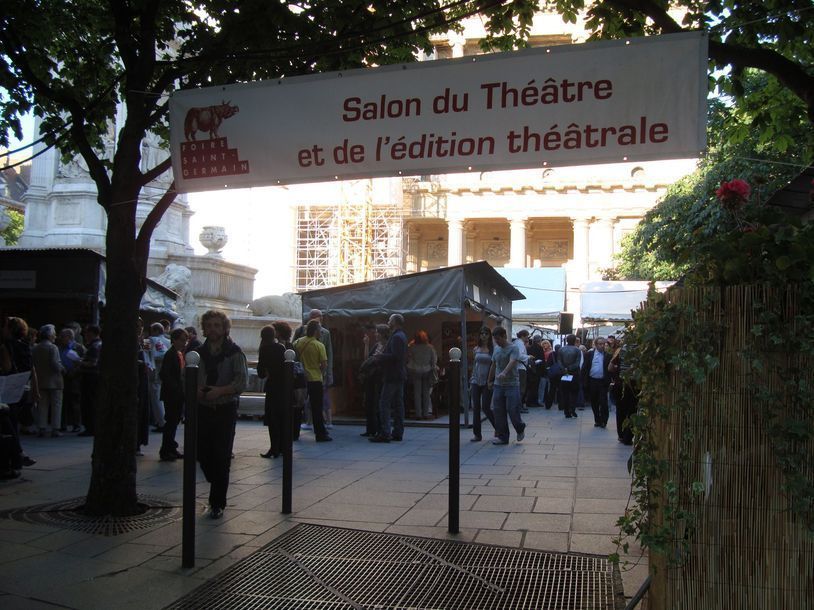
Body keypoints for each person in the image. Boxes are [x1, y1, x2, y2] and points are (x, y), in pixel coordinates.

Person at [195, 310, 248, 519]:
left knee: (222, 455)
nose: (213, 329)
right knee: (202, 453)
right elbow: (188, 377)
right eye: (209, 325)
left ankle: (217, 502)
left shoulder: (235, 352)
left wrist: (220, 391)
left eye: (217, 325)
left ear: (225, 328)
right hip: (203, 408)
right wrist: (196, 390)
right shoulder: (198, 353)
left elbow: (241, 382)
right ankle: (215, 479)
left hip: (225, 408)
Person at [370, 313, 407, 443]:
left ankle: (385, 433)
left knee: (384, 403)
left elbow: (396, 356)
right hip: (398, 375)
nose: (388, 321)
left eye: (390, 320)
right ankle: (397, 432)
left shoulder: (396, 337)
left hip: (392, 375)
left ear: (395, 322)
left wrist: (380, 356)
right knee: (398, 405)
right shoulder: (400, 335)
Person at [294, 319, 332, 442]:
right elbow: (324, 364)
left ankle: (294, 433)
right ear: (315, 331)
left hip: (300, 379)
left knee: (298, 406)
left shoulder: (298, 342)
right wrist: (319, 373)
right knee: (317, 407)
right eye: (320, 330)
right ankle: (320, 434)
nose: (321, 332)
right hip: (315, 379)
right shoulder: (319, 345)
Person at [487, 326, 526, 445]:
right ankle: (503, 437)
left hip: (512, 384)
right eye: (495, 340)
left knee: (512, 409)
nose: (497, 342)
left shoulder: (513, 348)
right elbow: (493, 365)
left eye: (498, 339)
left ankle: (520, 427)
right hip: (498, 385)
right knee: (498, 410)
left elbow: (512, 361)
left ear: (504, 336)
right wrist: (489, 380)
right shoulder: (496, 349)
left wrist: (504, 372)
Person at [256, 325, 286, 458]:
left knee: (273, 419)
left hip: (272, 386)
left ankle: (274, 447)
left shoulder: (264, 349)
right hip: (283, 387)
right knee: (282, 418)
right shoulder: (281, 348)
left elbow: (260, 372)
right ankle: (283, 447)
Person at [159, 327, 188, 461]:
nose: (184, 343)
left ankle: (171, 447)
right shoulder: (170, 354)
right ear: (174, 340)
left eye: (186, 340)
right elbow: (165, 374)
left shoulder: (178, 354)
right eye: (182, 340)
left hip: (176, 393)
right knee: (171, 422)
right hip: (172, 394)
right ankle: (166, 450)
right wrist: (176, 389)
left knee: (173, 422)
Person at [31, 324, 65, 437]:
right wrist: (63, 369)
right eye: (54, 334)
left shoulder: (35, 347)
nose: (55, 336)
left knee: (42, 405)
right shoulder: (53, 348)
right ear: (50, 335)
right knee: (56, 405)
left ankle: (42, 428)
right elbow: (55, 364)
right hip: (54, 381)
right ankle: (55, 428)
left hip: (40, 380)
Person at [272, 321, 301, 441]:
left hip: (282, 384)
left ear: (278, 332)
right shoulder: (291, 346)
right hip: (291, 384)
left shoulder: (278, 347)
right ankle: (293, 434)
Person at [360, 323, 388, 437]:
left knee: (377, 403)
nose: (375, 334)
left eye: (377, 332)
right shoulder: (376, 345)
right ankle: (370, 428)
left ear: (382, 334)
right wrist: (366, 344)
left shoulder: (387, 346)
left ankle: (379, 428)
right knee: (369, 402)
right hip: (370, 377)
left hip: (380, 377)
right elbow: (367, 358)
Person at [469, 326, 495, 442]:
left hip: (487, 381)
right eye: (482, 333)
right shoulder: (476, 349)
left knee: (485, 407)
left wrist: (491, 380)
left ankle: (498, 428)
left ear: (489, 335)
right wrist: (471, 379)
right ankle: (477, 434)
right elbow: (474, 365)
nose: (483, 335)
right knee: (475, 408)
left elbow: (494, 365)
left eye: (486, 333)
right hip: (475, 380)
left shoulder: (493, 349)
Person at [609, 338, 636, 446]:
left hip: (620, 384)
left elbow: (610, 368)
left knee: (621, 410)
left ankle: (621, 435)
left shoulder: (621, 350)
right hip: (635, 384)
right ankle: (628, 436)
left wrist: (619, 369)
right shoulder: (641, 350)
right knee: (633, 410)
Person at [406, 330, 437, 420]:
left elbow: (409, 357)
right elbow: (433, 360)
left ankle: (418, 414)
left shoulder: (413, 347)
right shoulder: (430, 347)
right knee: (426, 393)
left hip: (416, 370)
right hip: (427, 370)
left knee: (417, 393)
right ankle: (426, 413)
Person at [582, 336, 611, 428]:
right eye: (600, 344)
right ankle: (597, 419)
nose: (602, 346)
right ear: (595, 345)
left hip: (603, 382)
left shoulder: (607, 355)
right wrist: (584, 381)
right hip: (592, 381)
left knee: (603, 402)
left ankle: (604, 420)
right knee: (594, 402)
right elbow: (585, 368)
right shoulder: (589, 354)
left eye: (603, 344)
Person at [78, 324, 102, 436]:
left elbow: (93, 363)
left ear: (92, 333)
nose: (85, 335)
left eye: (87, 333)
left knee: (89, 402)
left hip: (91, 376)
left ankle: (90, 427)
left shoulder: (94, 346)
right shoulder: (97, 344)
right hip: (95, 377)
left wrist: (79, 362)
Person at [57, 328, 82, 432]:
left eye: (63, 336)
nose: (61, 338)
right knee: (63, 402)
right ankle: (63, 424)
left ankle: (77, 424)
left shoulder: (78, 347)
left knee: (74, 402)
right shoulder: (59, 348)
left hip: (74, 378)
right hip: (62, 376)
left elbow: (82, 361)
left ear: (70, 337)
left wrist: (74, 371)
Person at [146, 322, 170, 432]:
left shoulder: (150, 340)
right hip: (165, 371)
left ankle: (161, 422)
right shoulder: (168, 341)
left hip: (154, 370)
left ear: (155, 331)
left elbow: (146, 354)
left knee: (156, 397)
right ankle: (161, 420)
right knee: (161, 396)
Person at [557, 334, 582, 419]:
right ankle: (572, 409)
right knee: (574, 393)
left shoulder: (561, 349)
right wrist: (569, 368)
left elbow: (559, 361)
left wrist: (564, 369)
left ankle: (566, 411)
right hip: (574, 373)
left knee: (565, 393)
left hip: (564, 373)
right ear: (575, 340)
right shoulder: (577, 350)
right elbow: (577, 363)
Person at [512, 329, 530, 412]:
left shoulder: (516, 342)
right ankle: (518, 407)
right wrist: (528, 357)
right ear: (523, 336)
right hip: (520, 368)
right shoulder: (520, 343)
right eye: (527, 336)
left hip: (517, 367)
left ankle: (517, 406)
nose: (527, 338)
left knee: (519, 389)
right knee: (521, 389)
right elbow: (519, 356)